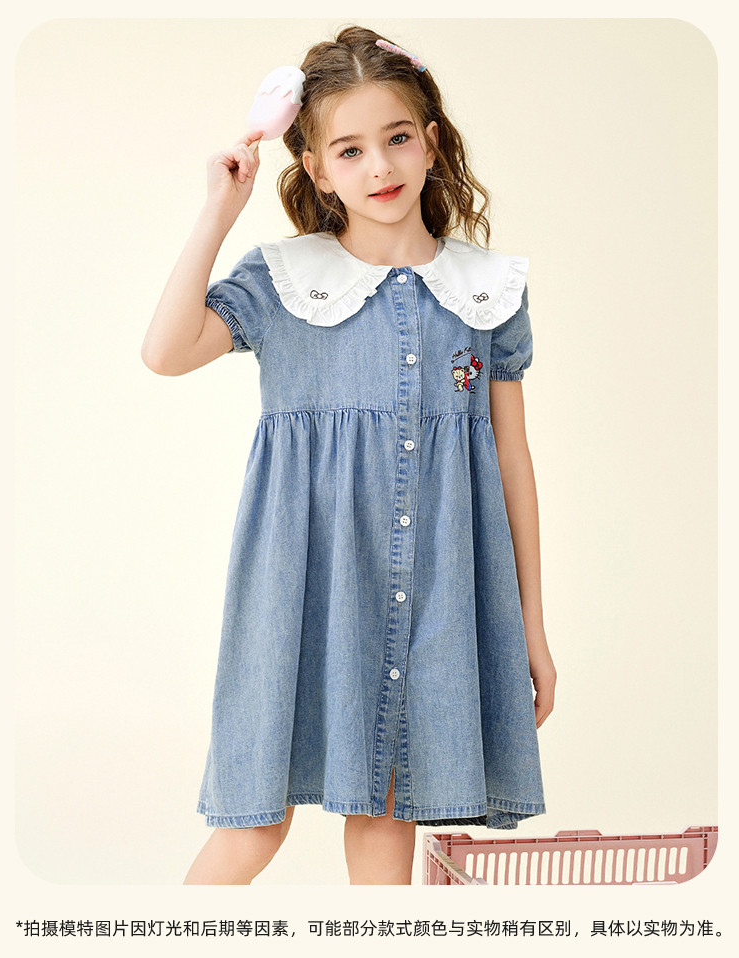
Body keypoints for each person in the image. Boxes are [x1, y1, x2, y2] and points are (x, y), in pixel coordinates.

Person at [142, 25, 556, 886]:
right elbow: (165, 351)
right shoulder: (284, 281)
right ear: (318, 170)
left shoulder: (487, 291)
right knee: (254, 825)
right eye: (350, 150)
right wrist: (219, 210)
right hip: (304, 589)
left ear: (431, 142)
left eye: (397, 137)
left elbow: (513, 467)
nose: (380, 167)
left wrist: (533, 629)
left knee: (388, 815)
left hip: (441, 594)